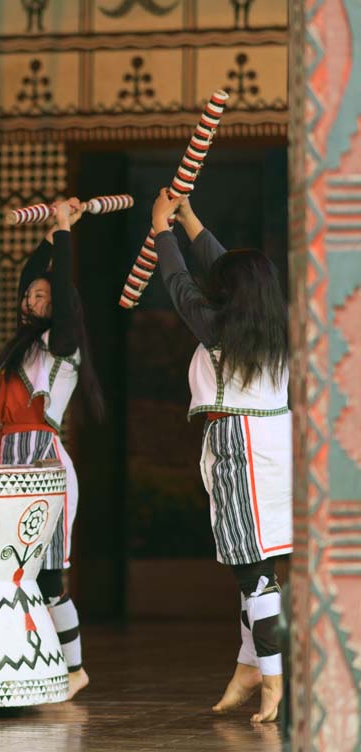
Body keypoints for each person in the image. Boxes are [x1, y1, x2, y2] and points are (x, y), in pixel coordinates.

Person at [152, 190, 291, 724]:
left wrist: (161, 230)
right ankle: (249, 666)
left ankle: (273, 681)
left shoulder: (218, 328)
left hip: (241, 448)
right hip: (274, 446)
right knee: (255, 568)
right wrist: (190, 222)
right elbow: (228, 274)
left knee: (254, 574)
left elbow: (181, 287)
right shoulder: (274, 325)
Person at [0, 198, 103, 700]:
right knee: (1, 569)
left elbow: (60, 291)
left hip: (42, 465)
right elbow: (30, 273)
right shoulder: (24, 345)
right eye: (31, 295)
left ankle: (75, 668)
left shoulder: (62, 346)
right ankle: (12, 662)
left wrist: (66, 231)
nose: (34, 299)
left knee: (47, 577)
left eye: (45, 295)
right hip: (6, 461)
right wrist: (50, 233)